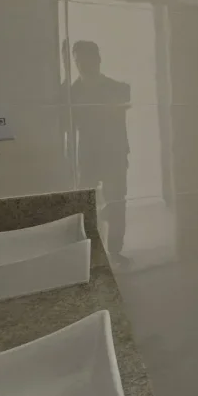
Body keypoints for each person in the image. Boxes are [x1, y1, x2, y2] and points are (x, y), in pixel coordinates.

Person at [70, 41, 131, 267]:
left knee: (116, 201)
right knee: (86, 203)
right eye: (77, 60)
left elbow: (119, 106)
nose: (81, 64)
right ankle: (90, 252)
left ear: (97, 59)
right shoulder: (72, 92)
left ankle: (114, 250)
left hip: (114, 152)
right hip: (88, 155)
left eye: (85, 59)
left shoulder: (118, 88)